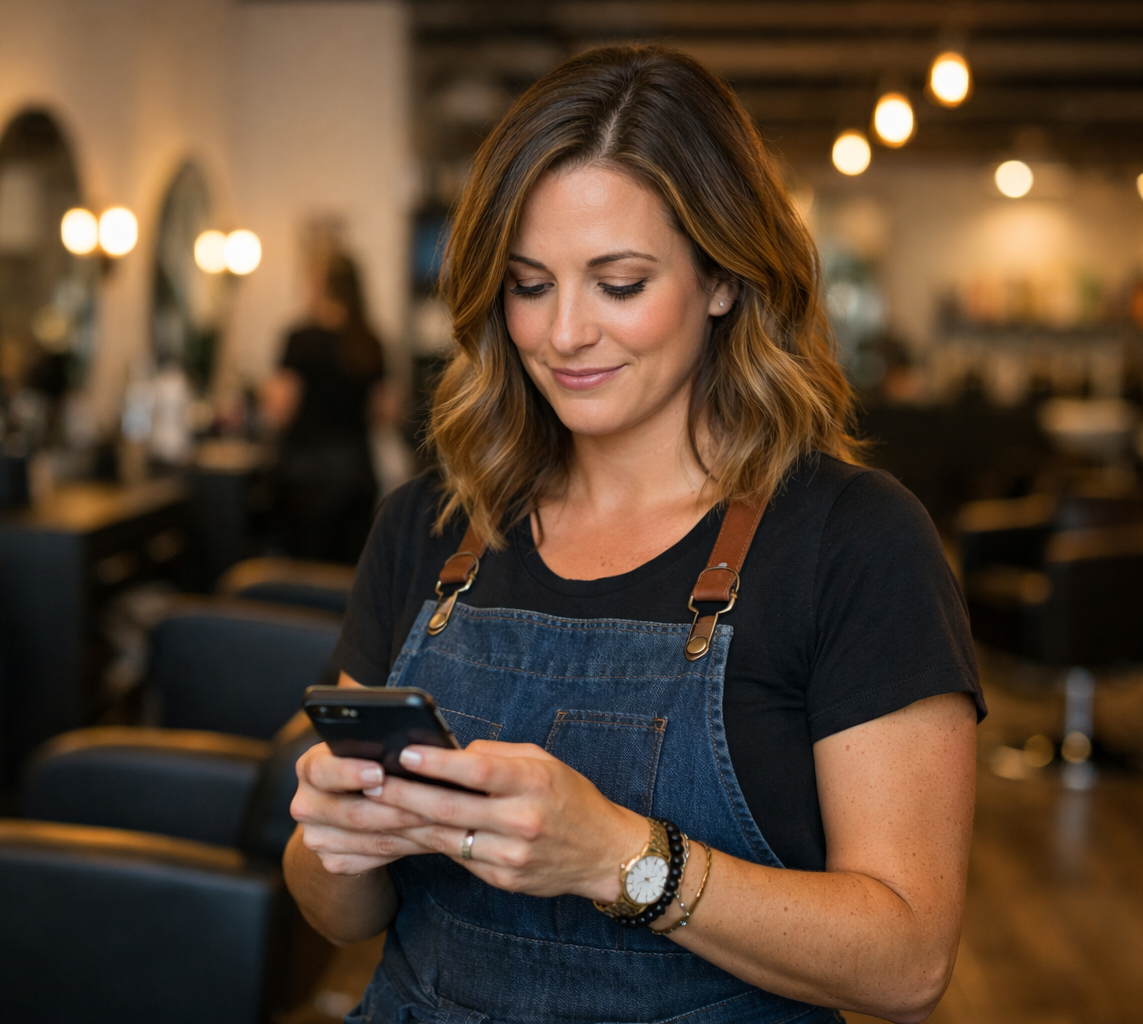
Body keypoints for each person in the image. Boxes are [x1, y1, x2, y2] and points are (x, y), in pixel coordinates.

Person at [285, 44, 983, 1024]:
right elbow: (339, 915)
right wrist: (334, 840)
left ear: (723, 280)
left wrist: (620, 857)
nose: (564, 332)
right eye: (529, 285)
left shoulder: (856, 544)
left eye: (618, 283)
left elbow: (907, 959)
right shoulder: (432, 523)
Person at [260, 251, 387, 564]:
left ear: (321, 285)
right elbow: (384, 414)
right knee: (346, 574)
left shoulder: (301, 339)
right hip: (356, 473)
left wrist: (264, 397)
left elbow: (280, 410)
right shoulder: (370, 340)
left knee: (304, 574)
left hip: (307, 478)